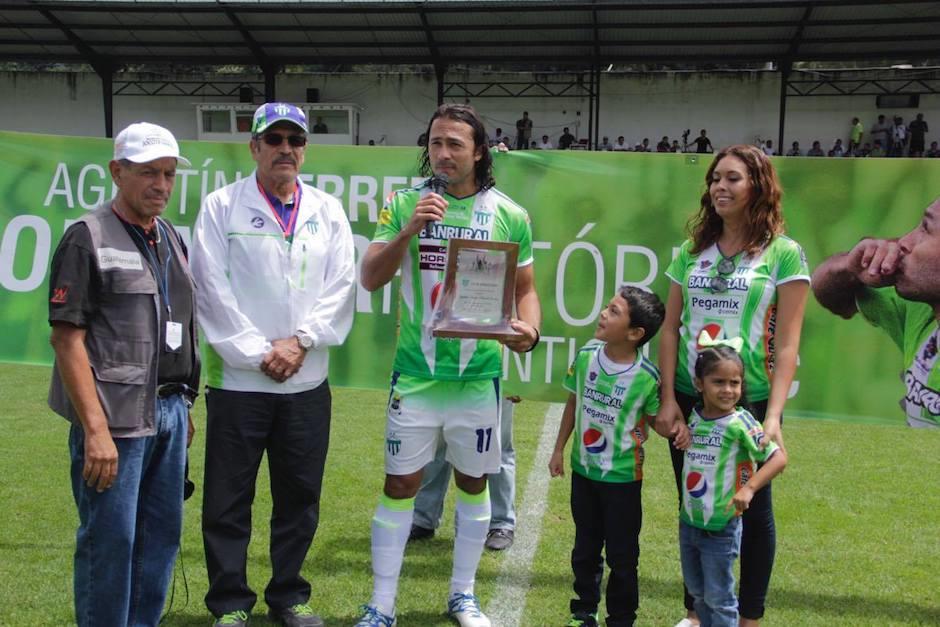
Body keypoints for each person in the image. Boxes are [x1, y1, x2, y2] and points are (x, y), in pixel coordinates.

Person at [356, 103, 541, 627]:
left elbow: (526, 293)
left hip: (477, 379)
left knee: (474, 484)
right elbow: (370, 277)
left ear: (478, 151)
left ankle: (463, 595)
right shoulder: (404, 203)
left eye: (454, 144)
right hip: (415, 376)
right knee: (399, 486)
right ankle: (382, 603)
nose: (442, 153)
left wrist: (529, 329)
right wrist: (406, 232)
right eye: (435, 143)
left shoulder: (509, 214)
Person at [191, 102, 356, 627]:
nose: (286, 148)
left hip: (306, 381)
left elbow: (341, 285)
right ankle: (230, 604)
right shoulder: (221, 206)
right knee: (227, 499)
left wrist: (301, 341)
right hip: (240, 381)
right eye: (275, 138)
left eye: (296, 140)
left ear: (304, 150)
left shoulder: (327, 210)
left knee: (300, 496)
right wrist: (259, 351)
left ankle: (288, 595)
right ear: (254, 147)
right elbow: (210, 288)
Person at [48, 122, 199, 627]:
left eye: (169, 174)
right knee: (111, 542)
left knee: (160, 540)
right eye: (148, 173)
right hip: (115, 425)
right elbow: (67, 339)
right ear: (118, 171)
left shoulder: (171, 236)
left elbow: (177, 325)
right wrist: (94, 431)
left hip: (171, 413)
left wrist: (184, 405)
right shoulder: (85, 238)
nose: (160, 184)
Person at [657, 144, 809, 627]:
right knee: (695, 499)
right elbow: (669, 328)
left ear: (758, 186)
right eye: (715, 179)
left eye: (733, 179)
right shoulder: (690, 251)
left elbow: (787, 345)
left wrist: (773, 415)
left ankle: (750, 617)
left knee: (754, 507)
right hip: (690, 397)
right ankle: (696, 611)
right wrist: (669, 400)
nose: (719, 187)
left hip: (749, 400)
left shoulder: (784, 254)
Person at [549, 287, 687, 627]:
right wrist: (558, 449)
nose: (603, 315)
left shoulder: (646, 377)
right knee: (585, 548)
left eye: (613, 311)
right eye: (607, 308)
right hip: (584, 474)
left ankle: (622, 618)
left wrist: (677, 428)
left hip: (623, 481)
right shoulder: (586, 357)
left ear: (635, 333)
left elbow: (657, 421)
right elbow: (572, 402)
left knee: (623, 556)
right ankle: (583, 611)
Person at [679, 346, 787, 627]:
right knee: (698, 593)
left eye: (735, 383)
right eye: (719, 382)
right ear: (699, 384)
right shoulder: (694, 416)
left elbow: (778, 458)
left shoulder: (741, 423)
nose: (728, 390)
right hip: (689, 522)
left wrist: (749, 488)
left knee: (720, 598)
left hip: (721, 527)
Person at [810, 197, 940, 429]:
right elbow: (830, 295)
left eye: (926, 229)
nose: (904, 242)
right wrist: (850, 268)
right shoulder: (922, 312)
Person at [409, 396, 520, 550]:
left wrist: (516, 384)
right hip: (447, 377)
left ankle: (501, 524)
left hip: (495, 377)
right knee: (438, 442)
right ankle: (423, 518)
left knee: (497, 444)